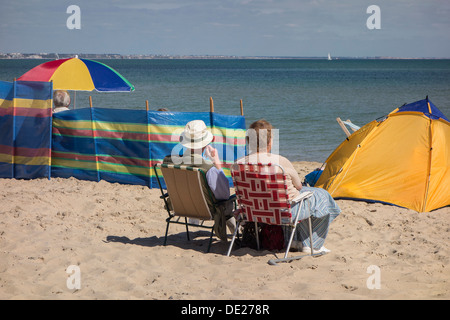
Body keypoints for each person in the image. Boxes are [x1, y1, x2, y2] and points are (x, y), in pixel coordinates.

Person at [237, 119, 341, 253]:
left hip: (253, 213)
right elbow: (298, 186)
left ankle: (293, 240)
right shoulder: (279, 162)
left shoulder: (239, 164)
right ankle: (312, 244)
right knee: (322, 196)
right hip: (283, 213)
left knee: (304, 196)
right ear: (269, 142)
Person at [163, 120, 235, 241]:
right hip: (206, 210)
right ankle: (235, 234)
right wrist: (217, 164)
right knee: (228, 203)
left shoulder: (169, 162)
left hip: (180, 206)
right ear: (205, 143)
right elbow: (224, 195)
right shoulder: (207, 168)